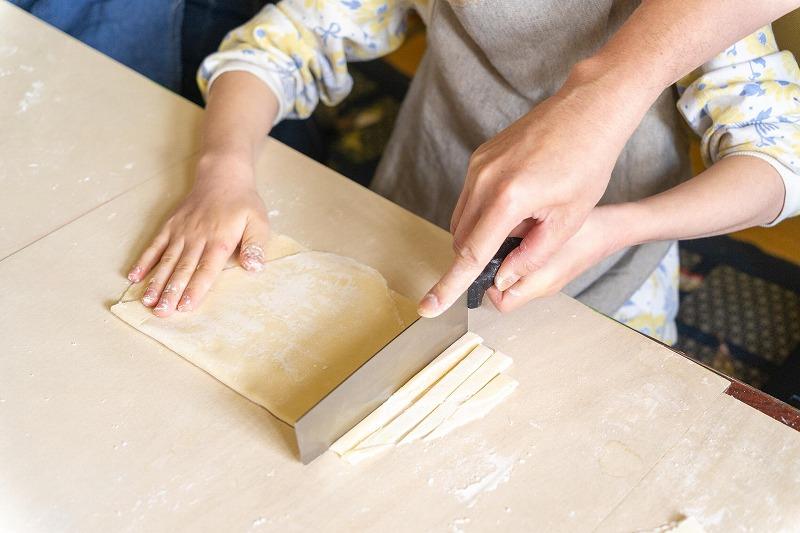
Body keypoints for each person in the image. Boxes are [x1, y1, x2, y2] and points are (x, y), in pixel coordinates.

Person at [127, 0, 800, 344]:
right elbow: (289, 37)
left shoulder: (702, 20)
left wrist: (618, 227)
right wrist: (223, 166)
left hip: (613, 285)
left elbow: (778, 164)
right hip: (411, 231)